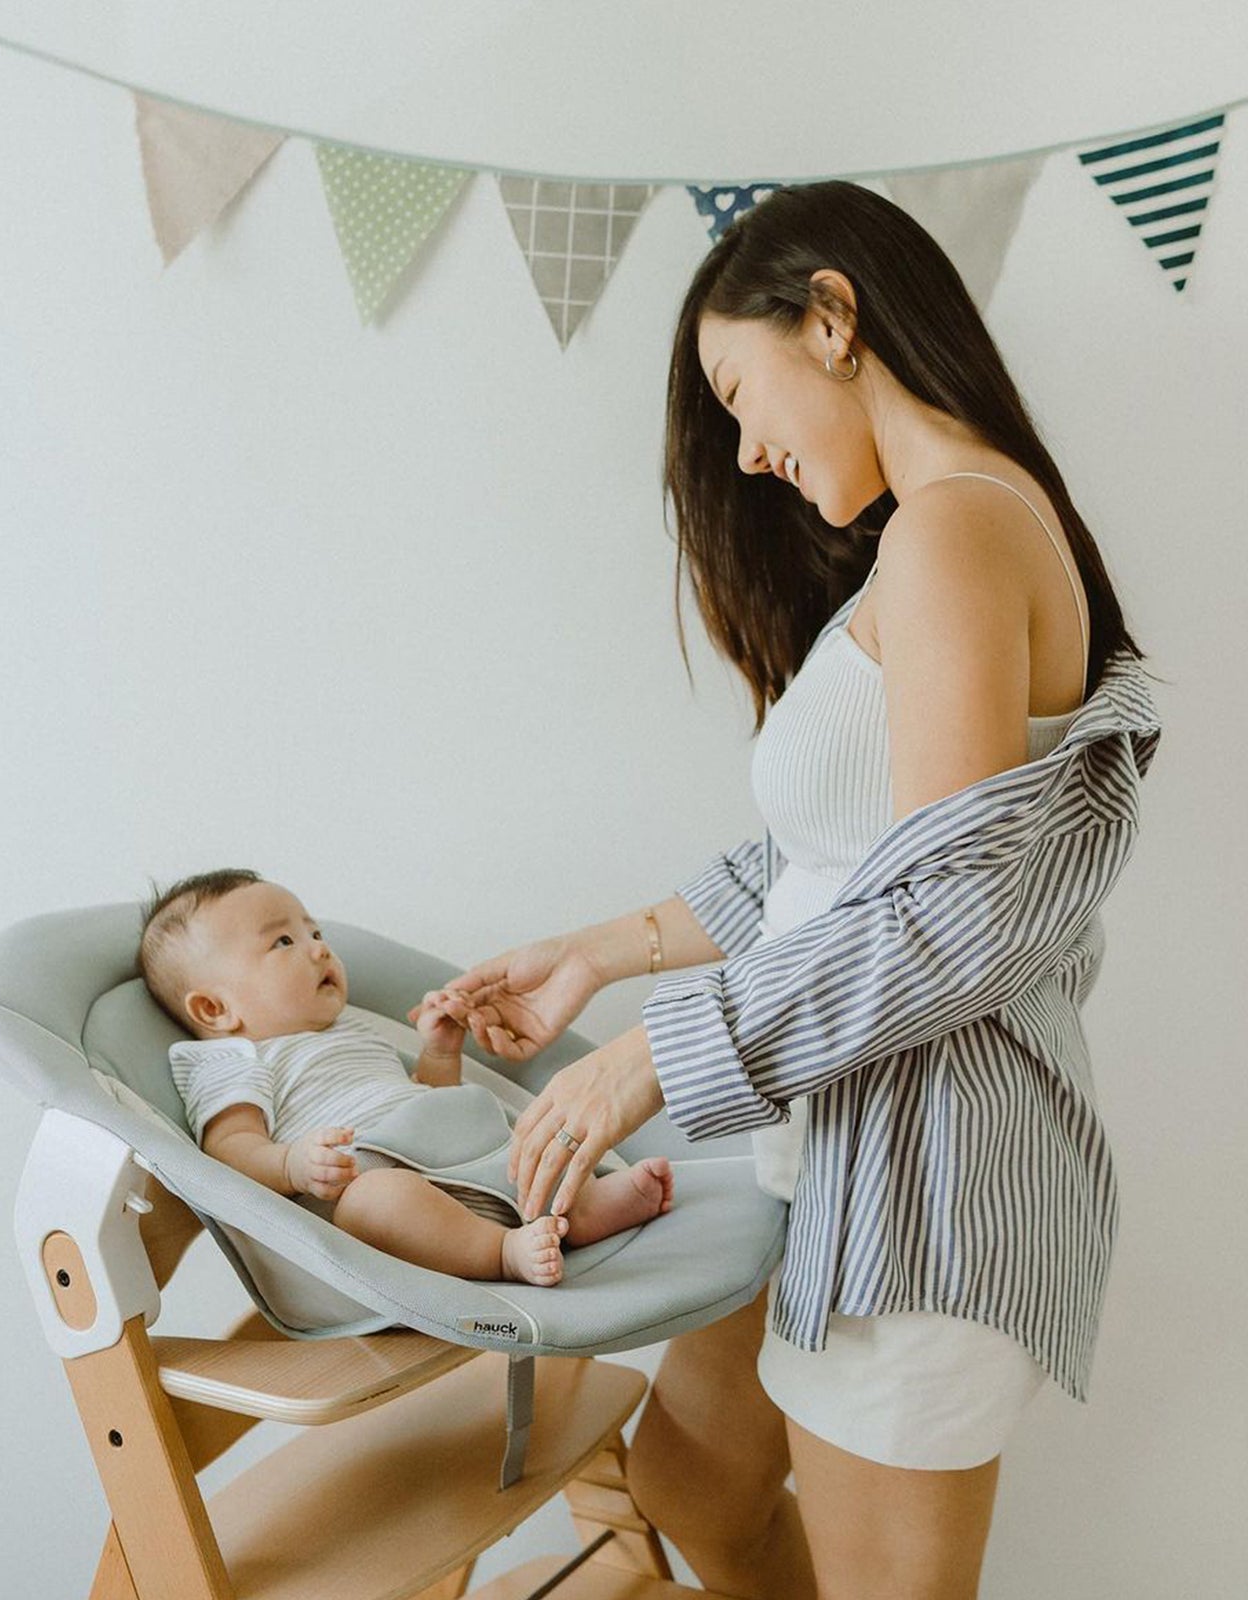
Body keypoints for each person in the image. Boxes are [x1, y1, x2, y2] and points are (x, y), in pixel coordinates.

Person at [434, 180, 1160, 1600]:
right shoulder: (936, 535)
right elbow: (845, 861)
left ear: (830, 317)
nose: (747, 451)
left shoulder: (957, 529)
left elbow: (935, 924)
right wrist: (605, 952)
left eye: (735, 390)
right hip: (827, 1144)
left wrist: (661, 1055)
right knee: (690, 1477)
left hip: (924, 1176)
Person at [139, 869, 673, 1285]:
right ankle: (501, 1252)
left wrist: (440, 1052)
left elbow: (426, 1099)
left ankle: (577, 1209)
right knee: (379, 1202)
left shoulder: (351, 1031)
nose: (319, 947)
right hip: (374, 1180)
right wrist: (292, 1165)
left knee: (531, 1139)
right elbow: (229, 1148)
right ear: (214, 1009)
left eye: (315, 932)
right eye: (283, 942)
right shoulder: (232, 1058)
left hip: (457, 1155)